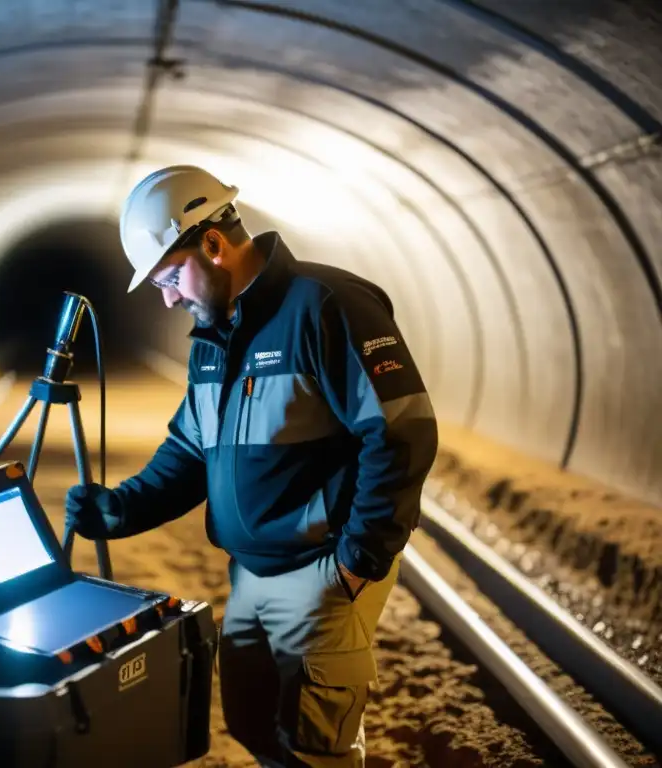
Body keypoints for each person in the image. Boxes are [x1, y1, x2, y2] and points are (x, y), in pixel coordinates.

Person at [64, 165, 439, 767]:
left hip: (320, 571)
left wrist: (358, 560)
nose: (168, 297)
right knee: (252, 721)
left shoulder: (326, 306)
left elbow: (402, 431)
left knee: (315, 747)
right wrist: (124, 507)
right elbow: (191, 449)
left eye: (170, 276)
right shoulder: (213, 337)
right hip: (251, 572)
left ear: (212, 244)